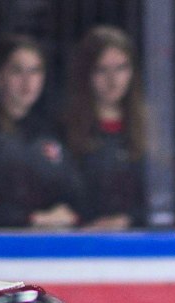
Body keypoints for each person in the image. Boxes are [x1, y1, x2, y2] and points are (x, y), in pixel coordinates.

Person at [0, 34, 81, 229]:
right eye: (17, 71)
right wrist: (30, 220)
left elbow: (75, 194)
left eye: (35, 71)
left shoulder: (50, 133)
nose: (27, 81)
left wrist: (66, 213)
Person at [62, 25, 148, 231]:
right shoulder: (64, 127)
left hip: (138, 245)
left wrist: (129, 220)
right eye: (102, 70)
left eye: (121, 68)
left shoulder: (150, 129)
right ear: (86, 73)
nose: (113, 80)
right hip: (81, 243)